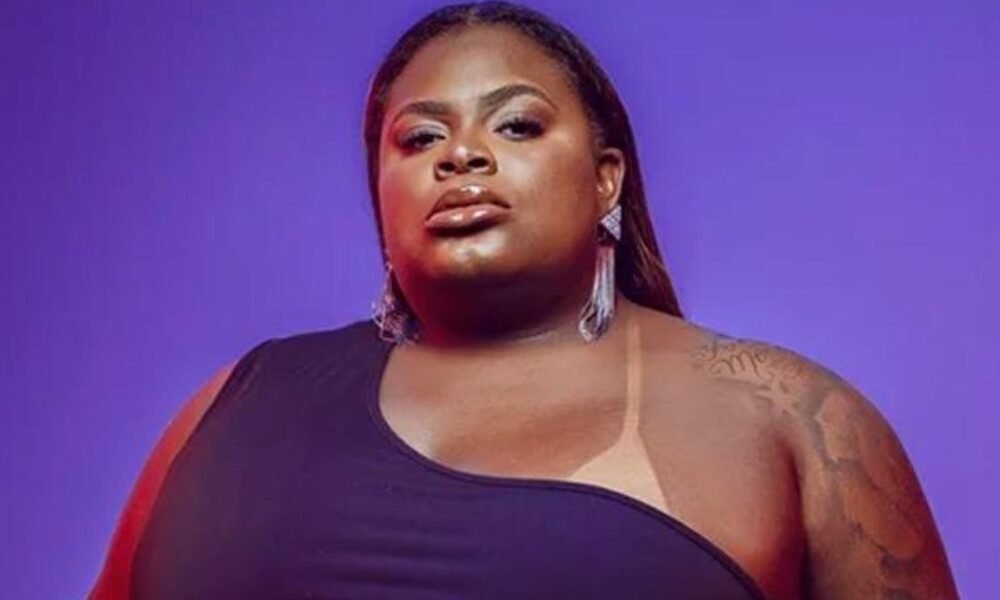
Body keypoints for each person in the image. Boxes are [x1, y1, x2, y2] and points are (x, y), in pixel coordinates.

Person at [90, 2, 959, 598]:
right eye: (419, 138)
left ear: (606, 178)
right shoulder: (236, 401)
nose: (460, 156)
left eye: (516, 125)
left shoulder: (791, 419)